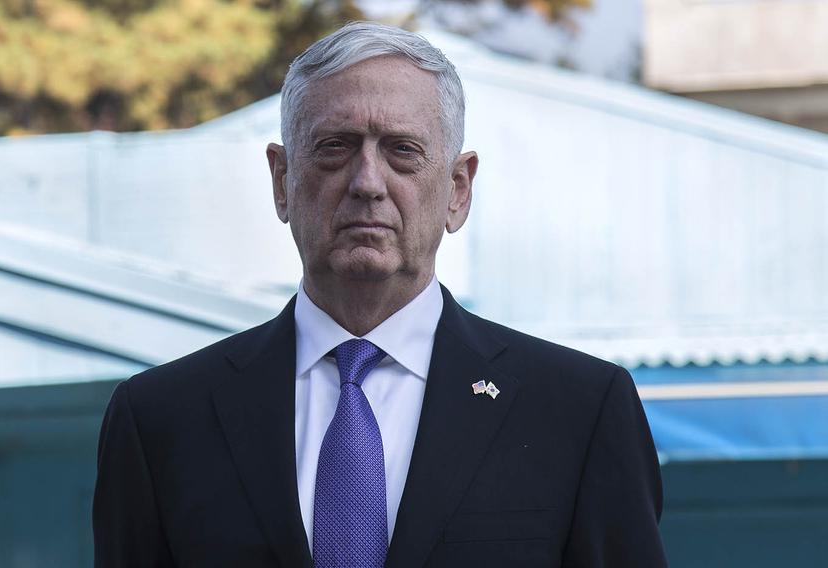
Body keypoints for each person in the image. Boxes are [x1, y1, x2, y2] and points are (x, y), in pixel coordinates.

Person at [93, 21, 667, 568]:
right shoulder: (161, 421)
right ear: (281, 181)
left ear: (457, 190)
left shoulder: (577, 412)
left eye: (402, 151)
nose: (367, 183)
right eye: (335, 147)